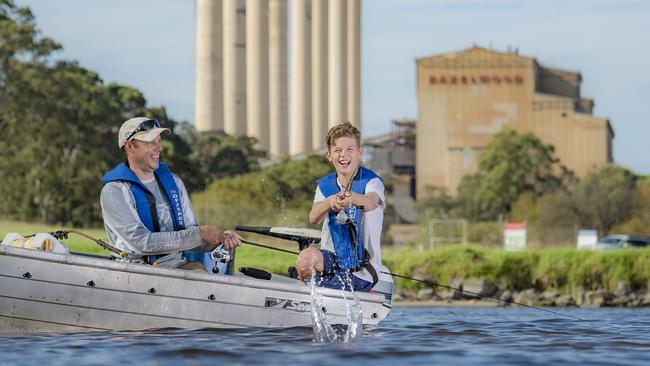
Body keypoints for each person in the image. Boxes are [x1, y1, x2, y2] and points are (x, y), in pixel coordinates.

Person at [100, 117, 241, 269]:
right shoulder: (114, 191)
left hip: (176, 266)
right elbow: (141, 242)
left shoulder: (175, 182)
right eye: (150, 142)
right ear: (129, 147)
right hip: (132, 271)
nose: (158, 147)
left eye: (159, 140)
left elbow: (190, 239)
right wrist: (199, 234)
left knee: (202, 279)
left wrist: (219, 238)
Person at [295, 122, 386, 292]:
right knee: (305, 258)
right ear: (329, 155)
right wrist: (330, 202)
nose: (343, 155)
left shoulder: (372, 182)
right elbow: (313, 217)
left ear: (360, 152)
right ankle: (305, 298)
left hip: (362, 271)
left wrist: (351, 198)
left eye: (350, 149)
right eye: (338, 151)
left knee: (323, 283)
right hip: (332, 262)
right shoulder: (325, 186)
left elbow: (370, 202)